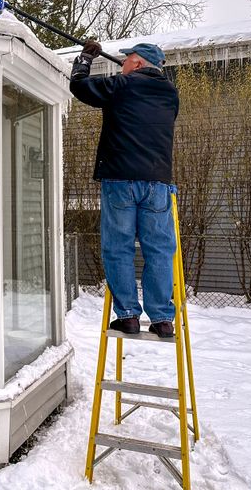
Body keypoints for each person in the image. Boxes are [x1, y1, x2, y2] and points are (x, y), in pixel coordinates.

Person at [69, 41, 179, 338]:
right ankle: (162, 319)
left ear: (139, 64)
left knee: (118, 248)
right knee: (159, 250)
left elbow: (80, 87)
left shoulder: (123, 85)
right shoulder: (170, 94)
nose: (123, 64)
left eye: (128, 59)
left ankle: (128, 315)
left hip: (121, 180)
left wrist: (84, 59)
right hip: (157, 182)